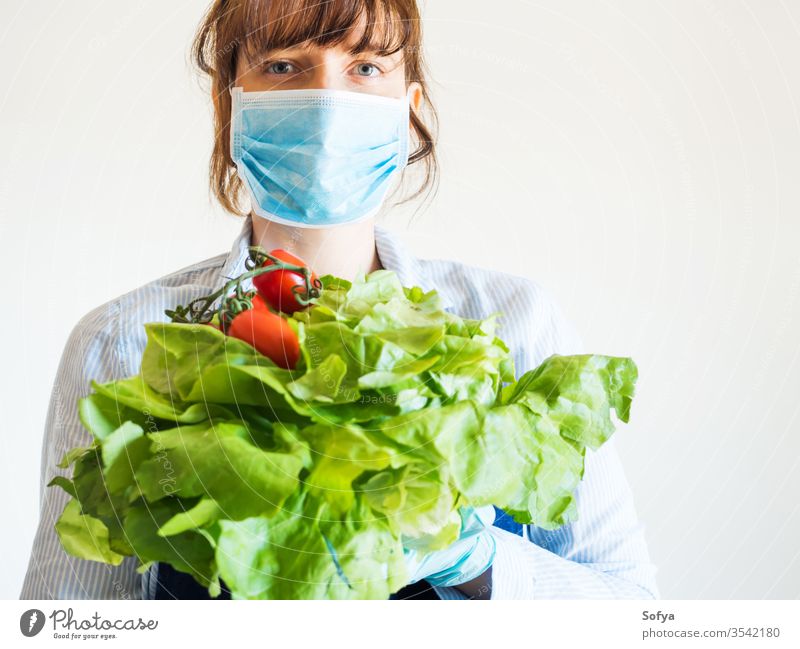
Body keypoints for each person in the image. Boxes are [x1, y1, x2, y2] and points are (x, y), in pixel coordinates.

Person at [20, 0, 659, 600]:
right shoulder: (129, 339)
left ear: (407, 110)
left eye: (366, 67)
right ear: (230, 106)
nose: (326, 102)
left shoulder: (513, 324)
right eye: (282, 65)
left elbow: (632, 607)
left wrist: (476, 561)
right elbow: (62, 621)